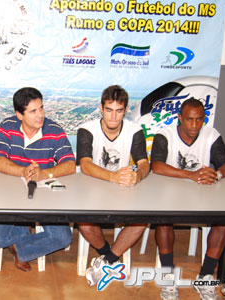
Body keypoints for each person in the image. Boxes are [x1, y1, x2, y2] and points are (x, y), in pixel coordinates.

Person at [151, 98, 225, 300]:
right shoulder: (165, 135)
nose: (194, 125)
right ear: (180, 118)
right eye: (189, 119)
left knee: (223, 219)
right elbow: (157, 166)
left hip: (201, 194)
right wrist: (191, 175)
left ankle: (205, 275)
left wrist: (217, 175)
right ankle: (168, 275)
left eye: (199, 120)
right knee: (163, 220)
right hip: (169, 194)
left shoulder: (211, 135)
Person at [0, 87, 75, 271]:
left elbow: (70, 165)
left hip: (45, 197)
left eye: (41, 108)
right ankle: (24, 233)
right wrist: (22, 171)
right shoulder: (7, 127)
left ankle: (22, 249)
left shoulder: (54, 130)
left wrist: (44, 173)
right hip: (10, 194)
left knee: (63, 238)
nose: (40, 115)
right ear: (19, 114)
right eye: (33, 111)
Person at [76, 85, 150, 287]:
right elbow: (85, 165)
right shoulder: (87, 129)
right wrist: (114, 177)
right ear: (101, 108)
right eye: (109, 110)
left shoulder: (134, 130)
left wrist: (138, 176)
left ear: (125, 110)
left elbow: (144, 163)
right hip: (94, 186)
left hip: (123, 188)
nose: (113, 117)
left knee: (141, 220)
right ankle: (108, 253)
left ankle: (107, 261)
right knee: (83, 221)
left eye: (119, 111)